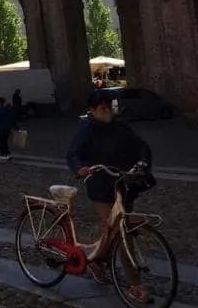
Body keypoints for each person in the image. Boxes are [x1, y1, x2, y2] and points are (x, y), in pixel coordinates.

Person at [66, 89, 154, 299]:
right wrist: (80, 168)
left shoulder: (121, 126)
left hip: (125, 185)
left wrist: (142, 162)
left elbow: (141, 146)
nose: (107, 111)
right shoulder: (86, 130)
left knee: (112, 230)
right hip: (101, 187)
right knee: (121, 233)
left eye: (109, 107)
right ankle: (135, 284)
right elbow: (73, 153)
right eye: (102, 108)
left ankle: (96, 261)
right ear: (92, 110)